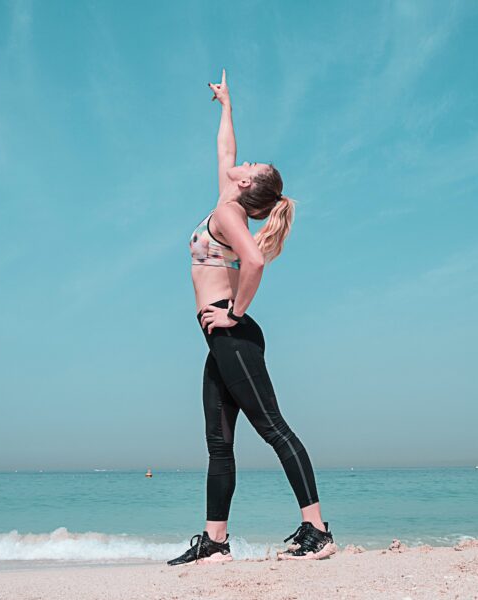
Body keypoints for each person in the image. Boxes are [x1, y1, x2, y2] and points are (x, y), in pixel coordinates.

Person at [167, 69, 336, 566]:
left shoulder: (228, 216)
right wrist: (226, 107)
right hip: (222, 339)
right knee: (218, 442)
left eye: (250, 164)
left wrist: (234, 314)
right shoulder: (228, 200)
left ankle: (317, 531)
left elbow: (256, 262)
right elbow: (224, 151)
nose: (242, 160)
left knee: (273, 428)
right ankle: (215, 543)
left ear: (248, 182)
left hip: (232, 333)